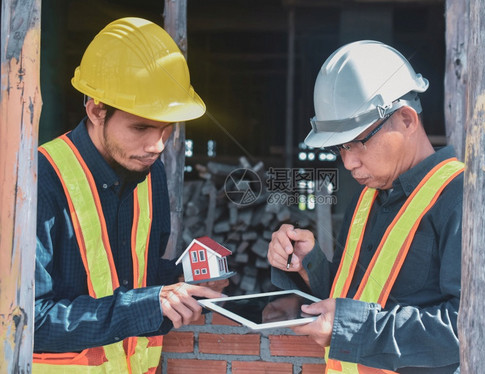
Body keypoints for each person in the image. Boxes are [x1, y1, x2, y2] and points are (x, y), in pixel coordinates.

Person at [33, 17, 226, 373]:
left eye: (167, 129)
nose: (156, 145)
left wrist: (184, 280)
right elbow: (29, 321)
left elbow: (137, 280)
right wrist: (146, 304)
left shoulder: (150, 174)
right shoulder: (37, 180)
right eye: (140, 127)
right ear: (95, 110)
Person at [267, 40, 463, 374]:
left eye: (359, 142)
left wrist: (352, 328)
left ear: (406, 119)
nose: (349, 162)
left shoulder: (459, 197)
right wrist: (308, 265)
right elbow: (356, 299)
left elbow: (464, 329)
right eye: (340, 148)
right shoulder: (368, 196)